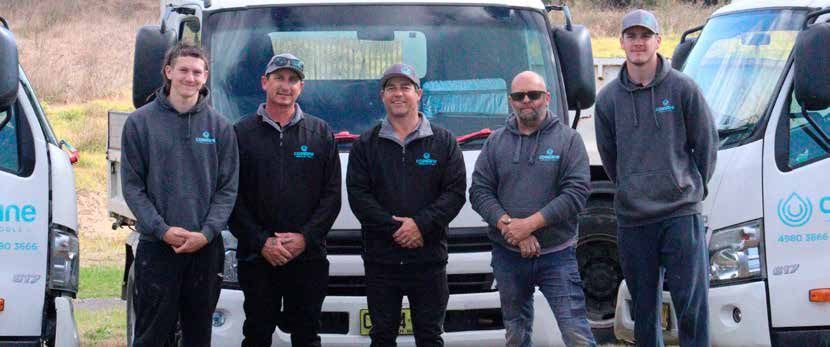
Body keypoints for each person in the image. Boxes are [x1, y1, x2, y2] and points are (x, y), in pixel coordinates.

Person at [594, 9, 718, 347]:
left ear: (658, 41)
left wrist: (689, 188)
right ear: (621, 42)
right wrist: (633, 186)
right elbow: (610, 159)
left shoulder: (683, 88)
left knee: (692, 309)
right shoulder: (607, 100)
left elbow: (706, 142)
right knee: (644, 314)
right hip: (634, 220)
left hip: (680, 214)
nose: (638, 42)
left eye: (645, 35)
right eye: (631, 36)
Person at [121, 43, 239, 347]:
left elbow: (227, 189)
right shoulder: (139, 123)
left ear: (206, 77)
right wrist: (162, 230)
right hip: (157, 249)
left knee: (199, 335)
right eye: (184, 70)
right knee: (151, 335)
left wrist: (207, 232)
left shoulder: (221, 128)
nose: (190, 77)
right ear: (168, 71)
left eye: (197, 72)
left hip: (205, 250)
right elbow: (133, 187)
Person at [469, 71, 596, 347]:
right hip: (508, 256)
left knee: (576, 333)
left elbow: (576, 193)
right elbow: (478, 191)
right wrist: (509, 227)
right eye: (519, 96)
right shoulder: (496, 142)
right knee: (516, 334)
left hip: (557, 256)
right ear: (511, 101)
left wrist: (530, 225)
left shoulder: (569, 140)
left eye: (534, 95)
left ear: (546, 98)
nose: (526, 101)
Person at [346, 63, 466, 347]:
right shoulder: (366, 144)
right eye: (391, 88)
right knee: (382, 336)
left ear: (418, 94)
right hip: (381, 262)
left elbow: (455, 193)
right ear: (382, 96)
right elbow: (358, 196)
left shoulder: (444, 142)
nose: (398, 94)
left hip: (428, 261)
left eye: (405, 87)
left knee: (429, 336)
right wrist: (395, 229)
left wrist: (421, 225)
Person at [229, 53, 341, 347]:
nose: (286, 86)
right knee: (256, 334)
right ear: (265, 82)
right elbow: (231, 196)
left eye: (293, 80)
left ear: (301, 88)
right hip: (257, 257)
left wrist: (305, 238)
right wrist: (262, 241)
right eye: (279, 78)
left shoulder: (320, 133)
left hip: (308, 258)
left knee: (306, 335)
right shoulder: (240, 133)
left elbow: (331, 197)